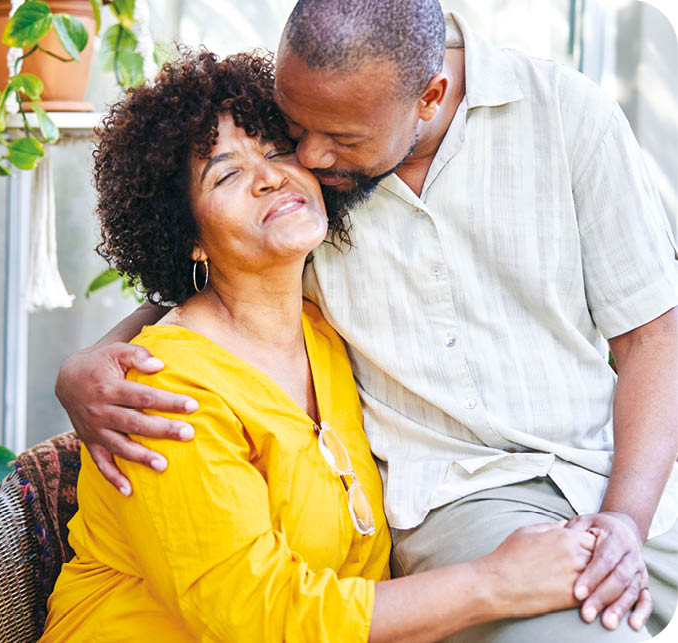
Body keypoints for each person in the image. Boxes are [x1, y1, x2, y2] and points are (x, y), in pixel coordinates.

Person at [55, 2, 678, 641]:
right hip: (457, 510)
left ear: (429, 99)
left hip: (606, 470)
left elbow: (654, 332)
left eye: (281, 147)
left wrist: (623, 518)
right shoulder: (169, 391)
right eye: (292, 130)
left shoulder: (322, 339)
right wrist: (80, 368)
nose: (303, 162)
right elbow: (256, 613)